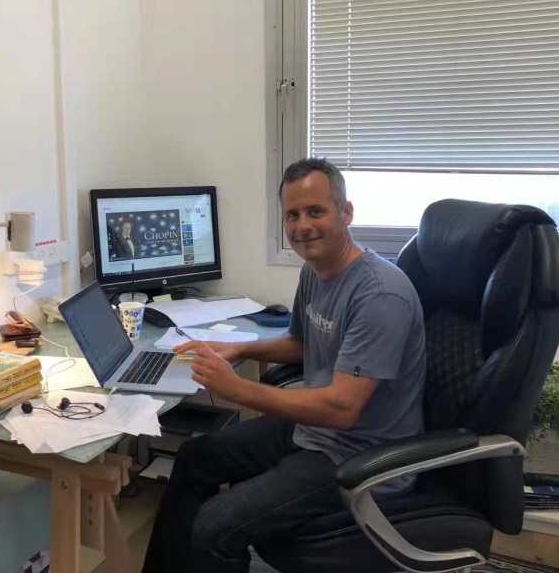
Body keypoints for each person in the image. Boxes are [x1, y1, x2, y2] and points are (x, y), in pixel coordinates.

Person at [141, 158, 427, 573]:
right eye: (292, 215)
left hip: (360, 456)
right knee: (194, 457)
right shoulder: (316, 271)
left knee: (215, 527)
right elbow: (300, 344)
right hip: (315, 432)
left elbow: (342, 409)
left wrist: (237, 389)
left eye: (316, 211)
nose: (302, 226)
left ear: (346, 212)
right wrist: (239, 349)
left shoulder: (380, 295)